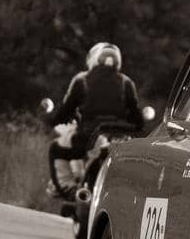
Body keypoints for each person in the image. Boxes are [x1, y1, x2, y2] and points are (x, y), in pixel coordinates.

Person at [46, 42, 143, 194]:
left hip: (89, 136)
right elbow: (138, 120)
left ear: (94, 59)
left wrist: (53, 119)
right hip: (120, 139)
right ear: (118, 62)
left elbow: (66, 109)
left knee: (56, 149)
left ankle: (68, 188)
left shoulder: (82, 79)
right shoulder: (127, 83)